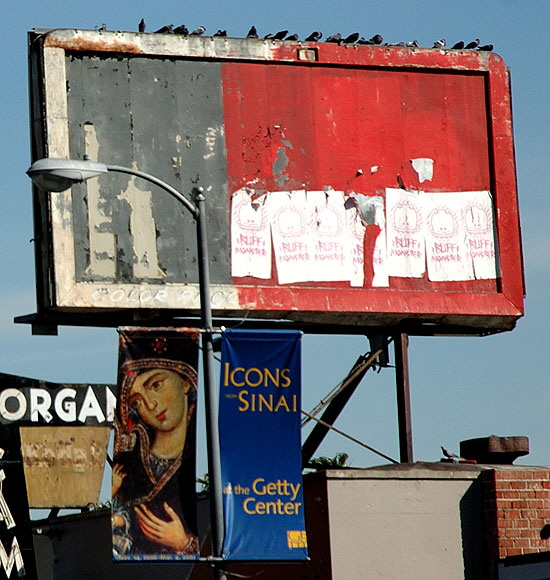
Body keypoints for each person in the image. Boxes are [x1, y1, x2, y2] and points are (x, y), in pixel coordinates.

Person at [112, 353, 199, 559]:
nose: (150, 405)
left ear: (185, 382)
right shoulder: (132, 463)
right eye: (137, 403)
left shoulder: (192, 462)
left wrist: (183, 542)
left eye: (156, 385)